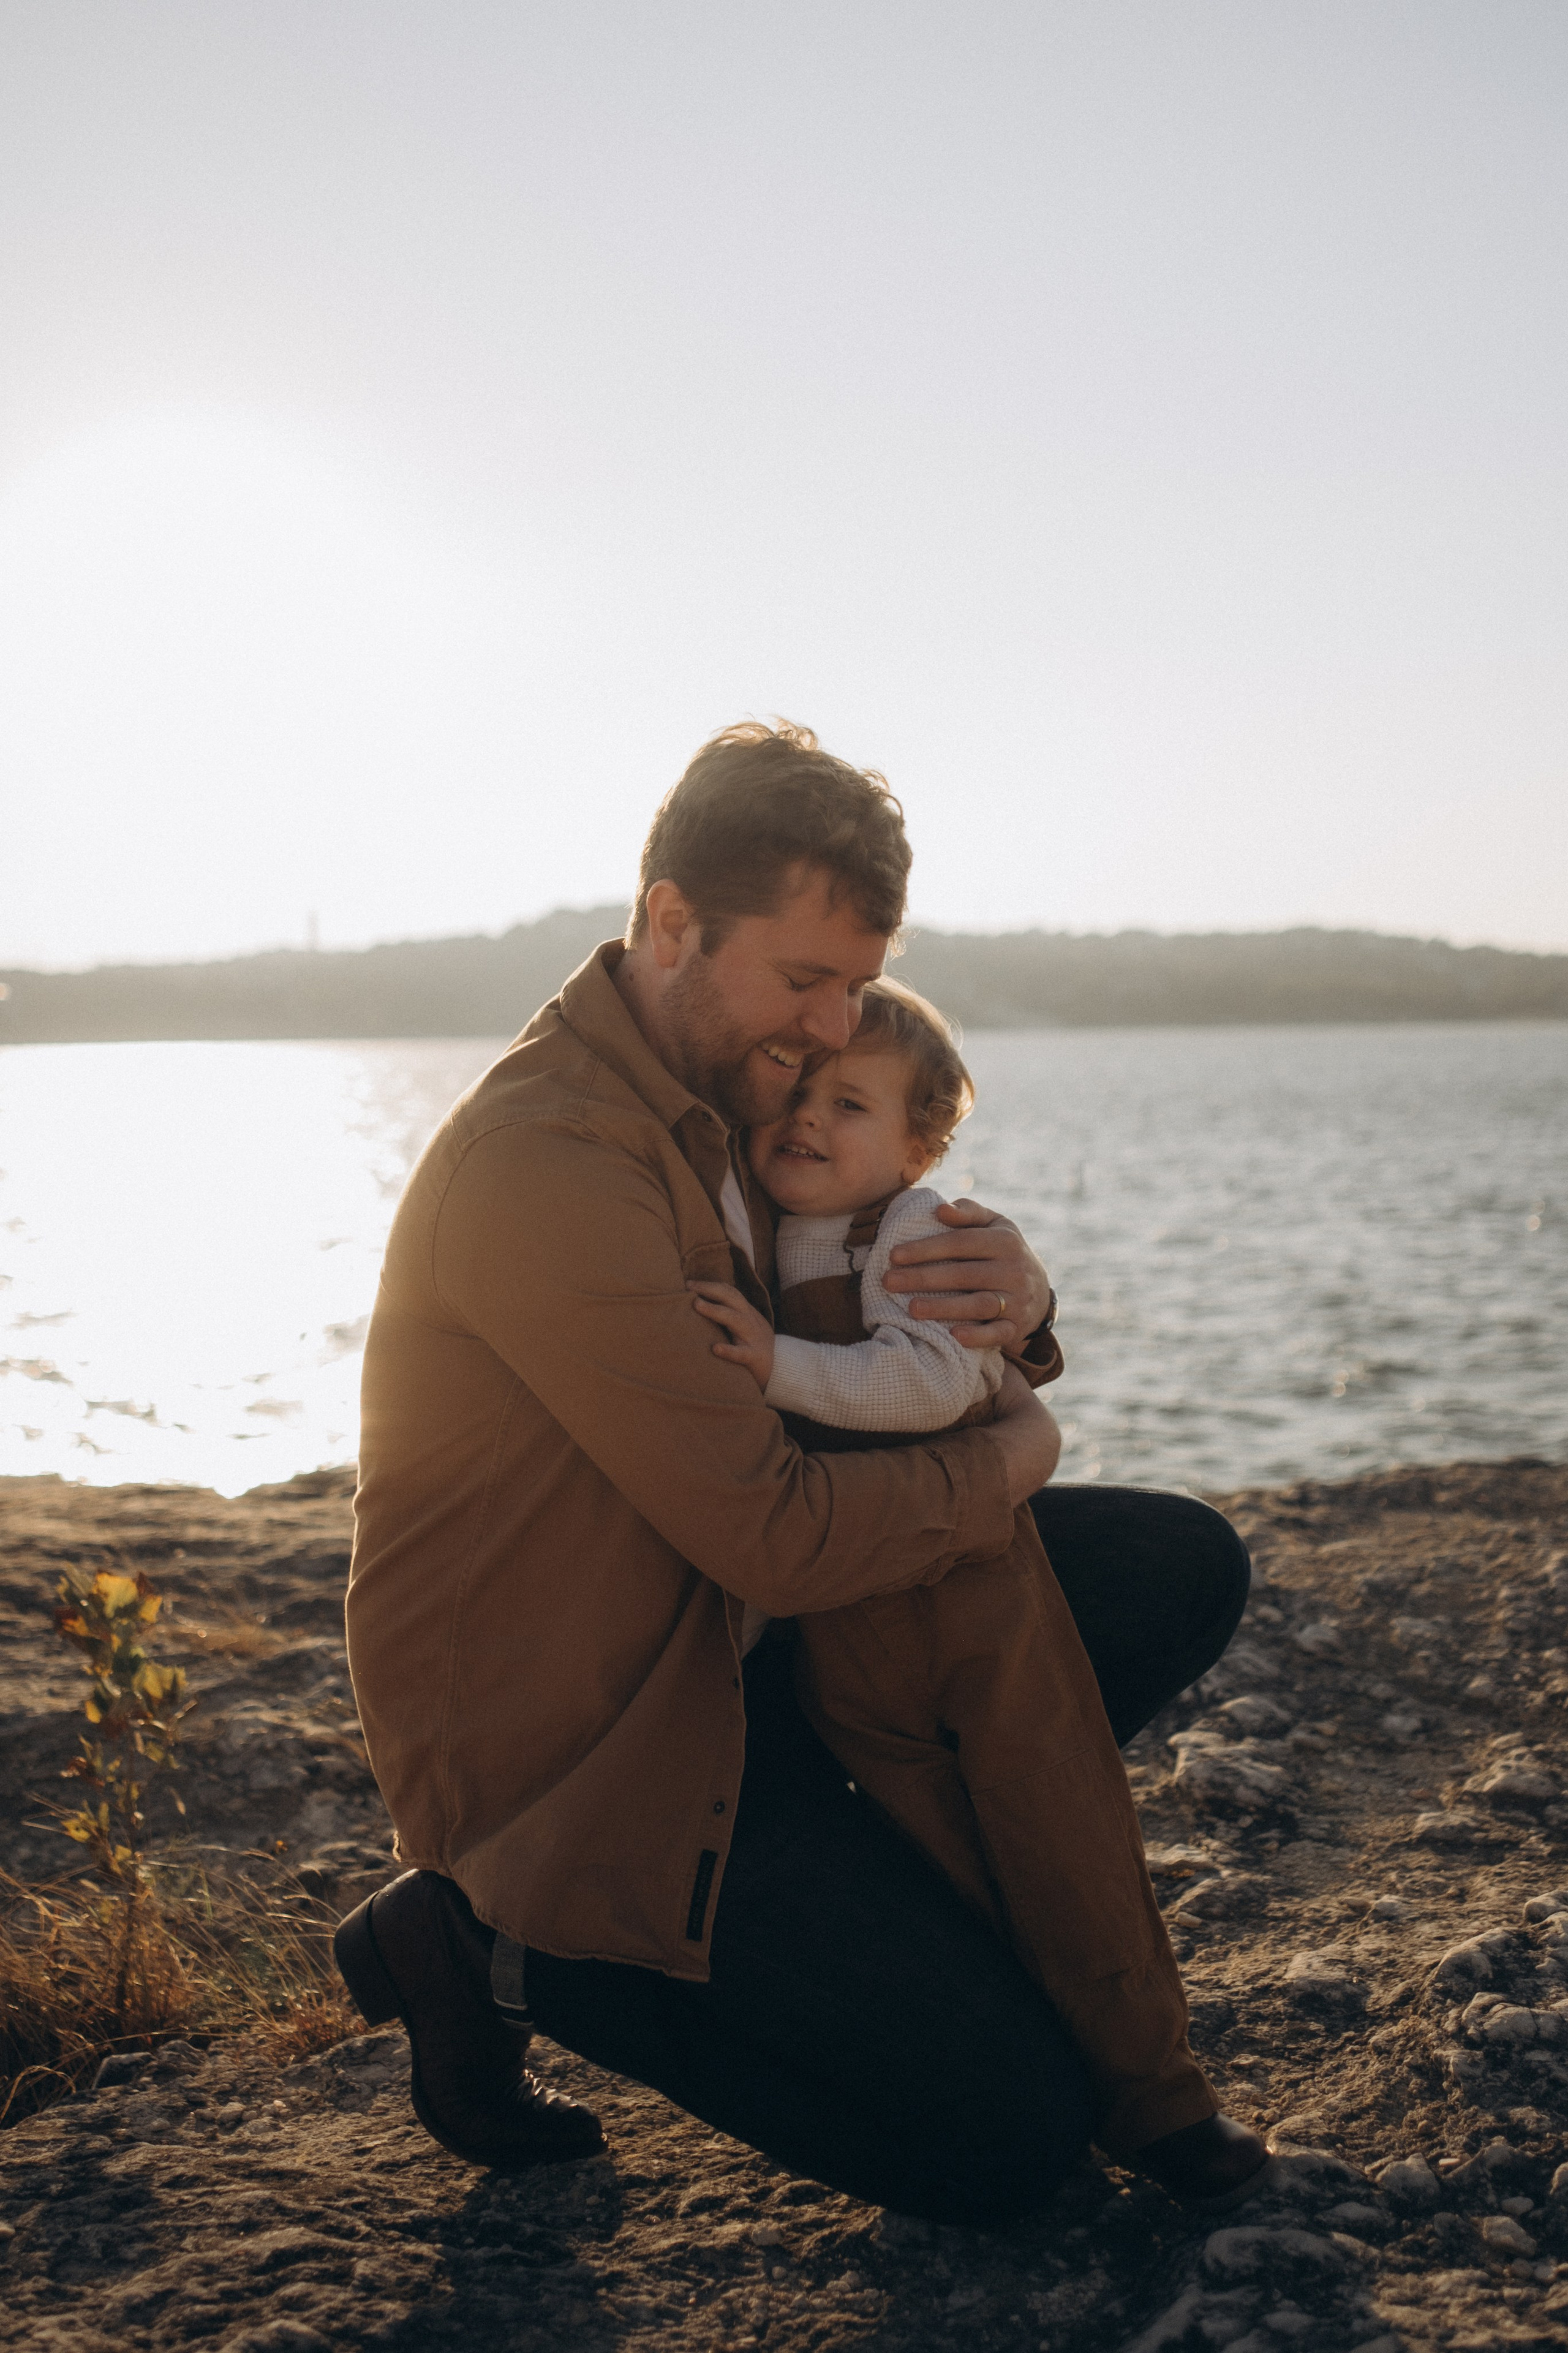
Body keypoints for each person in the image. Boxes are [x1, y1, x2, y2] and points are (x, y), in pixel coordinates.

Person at [337, 720, 1265, 2224]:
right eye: (803, 979)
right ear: (668, 923)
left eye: (858, 981)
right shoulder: (553, 1162)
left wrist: (1010, 1313)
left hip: (745, 1661)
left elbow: (873, 1265)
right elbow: (774, 1536)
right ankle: (493, 1946)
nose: (838, 1026)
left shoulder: (737, 1084)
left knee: (1176, 1564)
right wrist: (1017, 1452)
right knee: (1014, 2139)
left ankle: (901, 1872)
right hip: (597, 1760)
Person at [687, 975, 1217, 2166]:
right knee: (946, 1863)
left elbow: (924, 1383)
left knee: (1059, 1830)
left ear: (918, 1143)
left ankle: (1156, 2085)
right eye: (795, 1089)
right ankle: (1041, 2050)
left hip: (976, 1598)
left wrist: (774, 1362)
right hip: (844, 1641)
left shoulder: (915, 1231)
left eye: (851, 1103)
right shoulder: (759, 1228)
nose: (807, 1118)